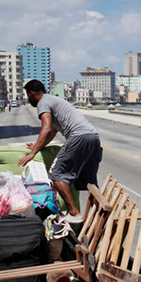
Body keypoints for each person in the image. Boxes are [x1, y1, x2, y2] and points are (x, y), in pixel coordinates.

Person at [19, 80, 102, 220]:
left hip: (79, 137)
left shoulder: (43, 102)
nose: (29, 99)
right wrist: (38, 146)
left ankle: (74, 213)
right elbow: (52, 132)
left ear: (32, 93)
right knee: (89, 182)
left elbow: (46, 128)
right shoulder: (53, 100)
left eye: (28, 95)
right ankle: (101, 214)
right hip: (93, 137)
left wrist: (32, 154)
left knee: (57, 174)